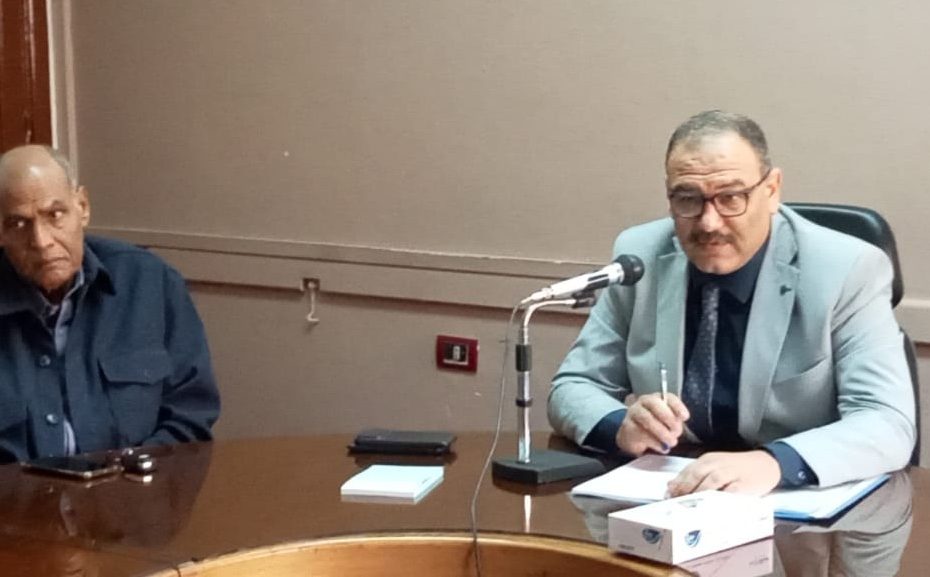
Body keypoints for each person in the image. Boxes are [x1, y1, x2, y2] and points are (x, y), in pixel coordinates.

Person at [548, 110, 915, 496]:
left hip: (791, 506)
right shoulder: (640, 256)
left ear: (771, 190)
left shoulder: (846, 269)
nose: (709, 223)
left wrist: (775, 462)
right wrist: (621, 426)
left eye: (730, 198)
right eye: (688, 199)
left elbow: (887, 421)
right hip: (673, 493)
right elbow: (574, 386)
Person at [0, 145, 220, 463]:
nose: (42, 241)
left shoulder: (149, 283)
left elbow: (191, 414)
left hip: (134, 487)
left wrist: (131, 476)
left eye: (55, 215)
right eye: (18, 224)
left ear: (82, 207)